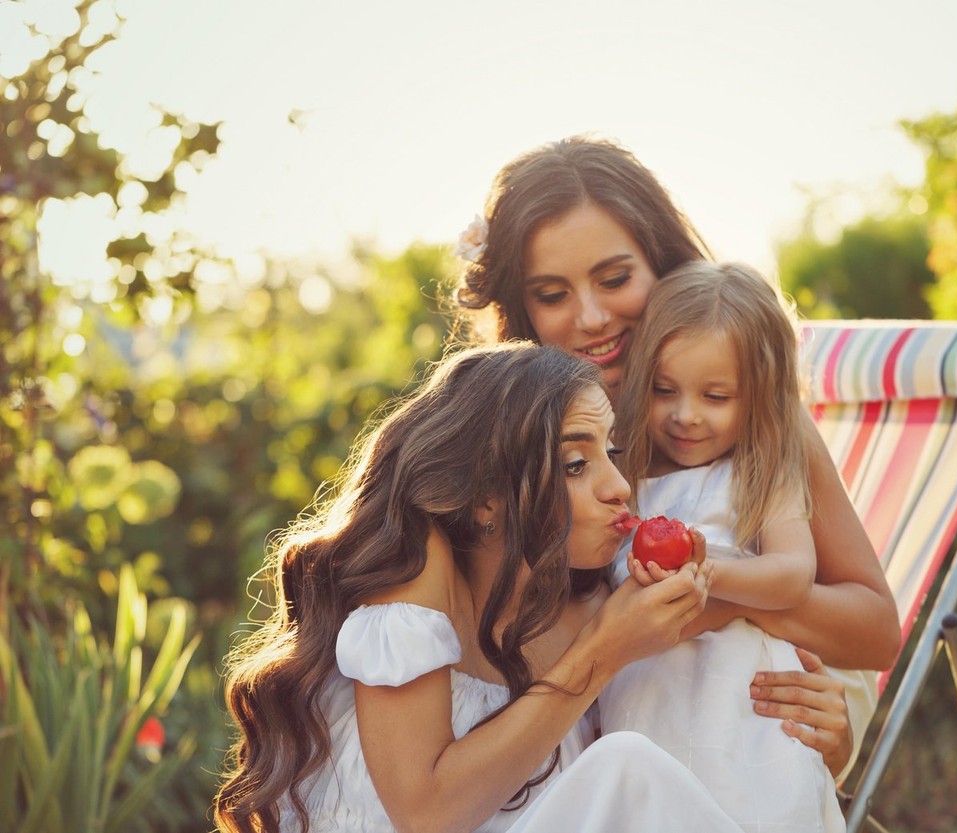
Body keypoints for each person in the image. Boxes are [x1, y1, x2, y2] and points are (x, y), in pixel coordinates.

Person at [455, 136, 902, 780]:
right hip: (585, 746)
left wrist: (716, 594)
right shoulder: (510, 441)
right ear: (519, 308)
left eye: (615, 279)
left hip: (739, 736)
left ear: (663, 266)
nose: (591, 317)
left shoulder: (755, 421)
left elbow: (875, 631)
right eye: (552, 294)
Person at [214, 343, 751, 833]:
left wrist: (833, 726)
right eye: (576, 464)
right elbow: (426, 812)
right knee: (625, 768)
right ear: (485, 499)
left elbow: (784, 610)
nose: (619, 487)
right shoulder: (419, 569)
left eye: (610, 453)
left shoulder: (580, 602)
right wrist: (602, 655)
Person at [598, 260, 843, 832]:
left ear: (760, 396)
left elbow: (791, 575)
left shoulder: (764, 466)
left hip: (740, 706)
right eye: (665, 390)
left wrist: (707, 575)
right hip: (645, 694)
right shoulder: (621, 470)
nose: (686, 416)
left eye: (716, 396)